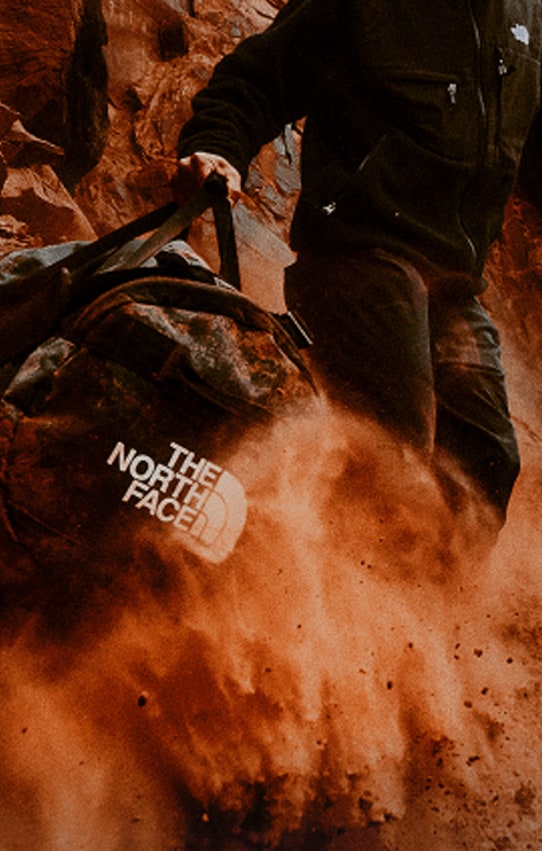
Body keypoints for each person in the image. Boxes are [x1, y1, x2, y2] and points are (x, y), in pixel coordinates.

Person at [174, 0, 542, 524]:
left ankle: (429, 603)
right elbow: (258, 78)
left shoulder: (527, 16)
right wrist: (215, 146)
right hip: (357, 255)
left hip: (454, 284)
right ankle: (333, 596)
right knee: (393, 452)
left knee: (486, 465)